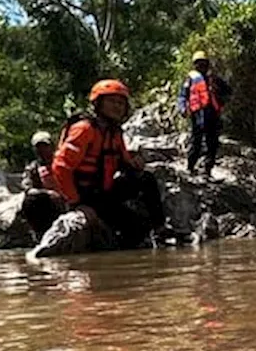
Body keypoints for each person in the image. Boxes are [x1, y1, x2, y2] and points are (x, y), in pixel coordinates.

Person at [46, 78, 166, 251]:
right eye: (111, 101)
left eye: (121, 103)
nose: (117, 107)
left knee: (145, 180)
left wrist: (135, 164)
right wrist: (77, 204)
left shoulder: (114, 132)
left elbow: (124, 162)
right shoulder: (84, 129)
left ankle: (160, 229)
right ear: (98, 104)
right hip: (84, 197)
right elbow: (61, 167)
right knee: (134, 228)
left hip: (104, 193)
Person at [178, 50, 228, 177]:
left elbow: (228, 90)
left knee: (212, 144)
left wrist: (221, 99)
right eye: (199, 64)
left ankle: (207, 170)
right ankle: (190, 167)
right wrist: (183, 108)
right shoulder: (191, 79)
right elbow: (183, 96)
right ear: (195, 65)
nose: (201, 67)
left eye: (204, 64)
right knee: (196, 142)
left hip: (213, 115)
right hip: (198, 115)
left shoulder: (214, 79)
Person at [21, 130, 65, 238]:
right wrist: (48, 193)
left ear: (52, 146)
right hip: (47, 206)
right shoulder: (33, 168)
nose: (42, 150)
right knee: (29, 201)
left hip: (67, 202)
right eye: (38, 147)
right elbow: (28, 189)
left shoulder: (63, 163)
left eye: (45, 146)